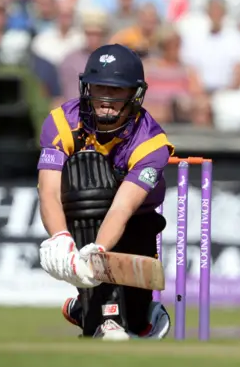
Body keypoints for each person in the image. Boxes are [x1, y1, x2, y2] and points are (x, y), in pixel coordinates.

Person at [37, 44, 174, 341]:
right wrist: (60, 239)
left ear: (134, 94)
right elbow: (48, 190)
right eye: (100, 88)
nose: (107, 100)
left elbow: (121, 208)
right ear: (87, 87)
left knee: (136, 322)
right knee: (88, 174)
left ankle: (89, 308)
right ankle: (100, 315)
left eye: (118, 91)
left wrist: (96, 254)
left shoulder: (151, 143)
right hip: (83, 215)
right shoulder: (61, 122)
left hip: (137, 218)